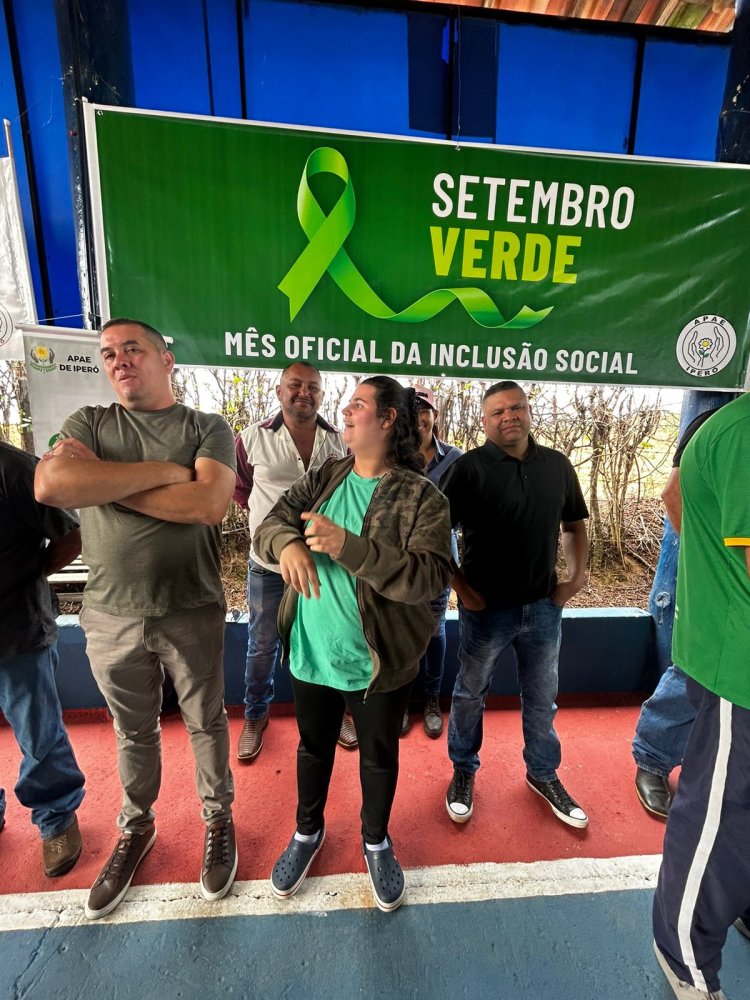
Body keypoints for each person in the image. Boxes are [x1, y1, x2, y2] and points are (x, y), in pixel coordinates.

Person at [35, 317, 237, 919]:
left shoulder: (207, 427)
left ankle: (218, 819)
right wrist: (163, 472)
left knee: (206, 721)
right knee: (133, 729)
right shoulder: (89, 424)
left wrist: (98, 481)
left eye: (132, 349)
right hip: (110, 614)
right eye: (107, 354)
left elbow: (206, 502)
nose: (119, 360)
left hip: (192, 607)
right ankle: (137, 826)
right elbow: (51, 484)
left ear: (166, 359)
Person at [254, 376, 452, 912]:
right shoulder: (327, 474)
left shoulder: (421, 496)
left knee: (378, 757)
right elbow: (271, 521)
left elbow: (431, 576)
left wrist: (351, 548)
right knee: (312, 747)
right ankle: (307, 832)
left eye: (358, 405)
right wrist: (287, 544)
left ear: (387, 420)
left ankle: (375, 840)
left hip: (377, 661)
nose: (344, 411)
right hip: (310, 650)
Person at [440, 380, 589, 828]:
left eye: (517, 408)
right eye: (498, 412)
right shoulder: (469, 469)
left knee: (542, 697)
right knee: (471, 692)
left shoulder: (557, 466)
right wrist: (461, 588)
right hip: (486, 611)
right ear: (484, 422)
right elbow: (432, 533)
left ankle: (543, 774)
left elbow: (574, 524)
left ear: (529, 412)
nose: (510, 417)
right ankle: (463, 771)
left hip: (543, 607)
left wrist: (575, 578)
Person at [652, 392, 750, 1000]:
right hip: (739, 667)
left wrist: (710, 568)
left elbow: (675, 494)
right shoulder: (741, 432)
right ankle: (681, 949)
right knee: (718, 814)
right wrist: (715, 585)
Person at [233, 363, 348, 762]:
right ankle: (255, 715)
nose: (304, 393)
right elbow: (241, 488)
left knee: (329, 638)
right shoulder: (252, 439)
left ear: (322, 394)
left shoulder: (339, 442)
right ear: (280, 391)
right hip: (267, 564)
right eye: (295, 385)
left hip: (323, 565)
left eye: (313, 387)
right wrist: (270, 525)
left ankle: (339, 712)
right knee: (262, 644)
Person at [0, 441, 85, 876]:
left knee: (39, 734)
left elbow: (70, 534)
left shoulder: (14, 468)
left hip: (17, 630)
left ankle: (56, 818)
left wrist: (29, 577)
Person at [633, 407, 722, 819]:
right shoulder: (719, 418)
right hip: (721, 566)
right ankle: (653, 757)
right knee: (696, 660)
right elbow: (674, 492)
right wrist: (709, 561)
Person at [400, 385, 462, 739]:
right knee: (402, 633)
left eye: (424, 409)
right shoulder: (391, 457)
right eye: (411, 410)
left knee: (433, 632)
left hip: (439, 559)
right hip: (399, 561)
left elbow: (469, 515)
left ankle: (431, 701)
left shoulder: (454, 459)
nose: (418, 417)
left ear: (434, 416)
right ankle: (404, 701)